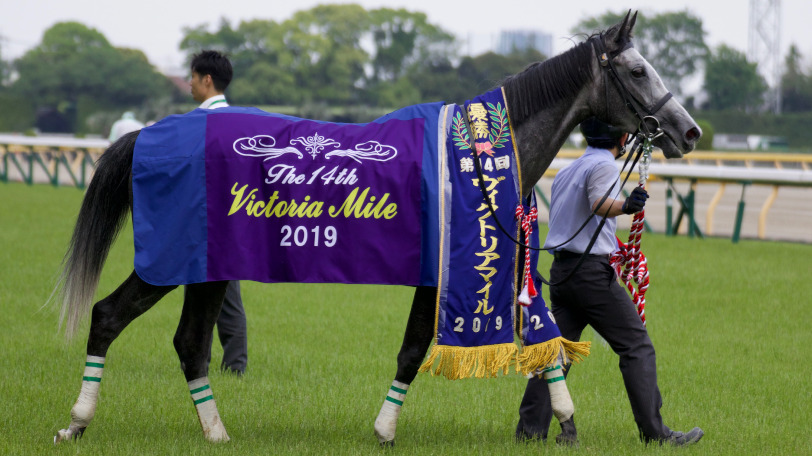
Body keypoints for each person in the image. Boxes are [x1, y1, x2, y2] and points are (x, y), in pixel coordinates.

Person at [514, 117, 703, 446]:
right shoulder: (604, 166)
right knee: (636, 347)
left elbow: (578, 221)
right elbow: (599, 204)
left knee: (554, 353)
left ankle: (529, 433)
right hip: (590, 276)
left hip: (563, 273)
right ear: (623, 136)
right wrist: (626, 206)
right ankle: (656, 435)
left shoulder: (569, 170)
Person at [190, 50, 248, 375]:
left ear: (206, 80)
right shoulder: (238, 123)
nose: (189, 83)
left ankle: (226, 367)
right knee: (221, 299)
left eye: (193, 77)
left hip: (206, 222)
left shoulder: (201, 122)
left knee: (213, 300)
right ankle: (227, 366)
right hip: (230, 221)